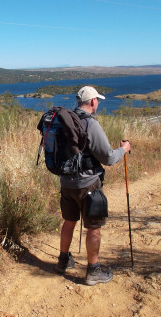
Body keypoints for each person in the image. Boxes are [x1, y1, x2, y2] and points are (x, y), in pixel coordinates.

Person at [54, 86, 131, 286]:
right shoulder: (90, 124)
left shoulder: (65, 121)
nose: (98, 104)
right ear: (93, 102)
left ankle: (63, 261)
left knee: (69, 222)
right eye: (98, 101)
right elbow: (108, 157)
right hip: (88, 184)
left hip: (66, 182)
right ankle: (93, 271)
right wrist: (123, 149)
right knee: (94, 228)